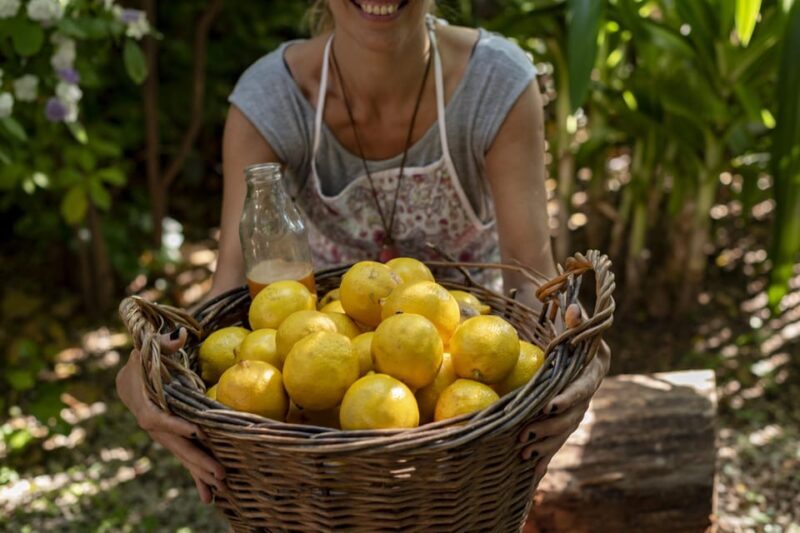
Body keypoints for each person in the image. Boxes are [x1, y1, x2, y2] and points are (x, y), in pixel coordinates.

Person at [116, 0, 610, 509]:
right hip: (317, 444)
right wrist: (147, 365)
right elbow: (227, 291)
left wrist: (577, 351)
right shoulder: (272, 98)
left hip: (469, 428)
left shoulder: (495, 83)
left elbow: (532, 279)